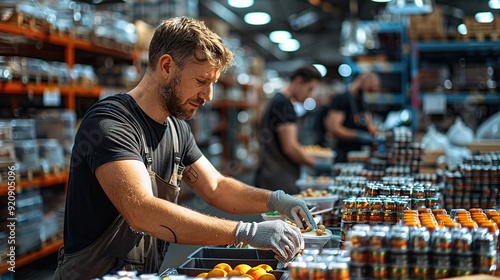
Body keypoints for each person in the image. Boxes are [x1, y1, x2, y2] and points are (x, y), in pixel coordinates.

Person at [53, 17, 316, 280]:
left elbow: (216, 187)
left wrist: (275, 200)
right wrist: (245, 232)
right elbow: (142, 211)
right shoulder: (110, 123)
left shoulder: (177, 130)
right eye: (201, 80)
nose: (209, 95)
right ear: (166, 66)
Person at [255, 66, 329, 194]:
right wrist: (315, 164)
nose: (310, 94)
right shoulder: (284, 105)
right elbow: (290, 148)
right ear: (299, 81)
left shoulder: (276, 100)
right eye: (309, 89)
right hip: (280, 178)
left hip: (270, 174)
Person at [323, 72, 380, 162]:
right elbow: (333, 128)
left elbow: (369, 122)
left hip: (360, 153)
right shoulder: (342, 99)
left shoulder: (362, 102)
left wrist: (374, 134)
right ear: (363, 80)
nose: (368, 92)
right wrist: (357, 135)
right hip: (343, 152)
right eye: (369, 88)